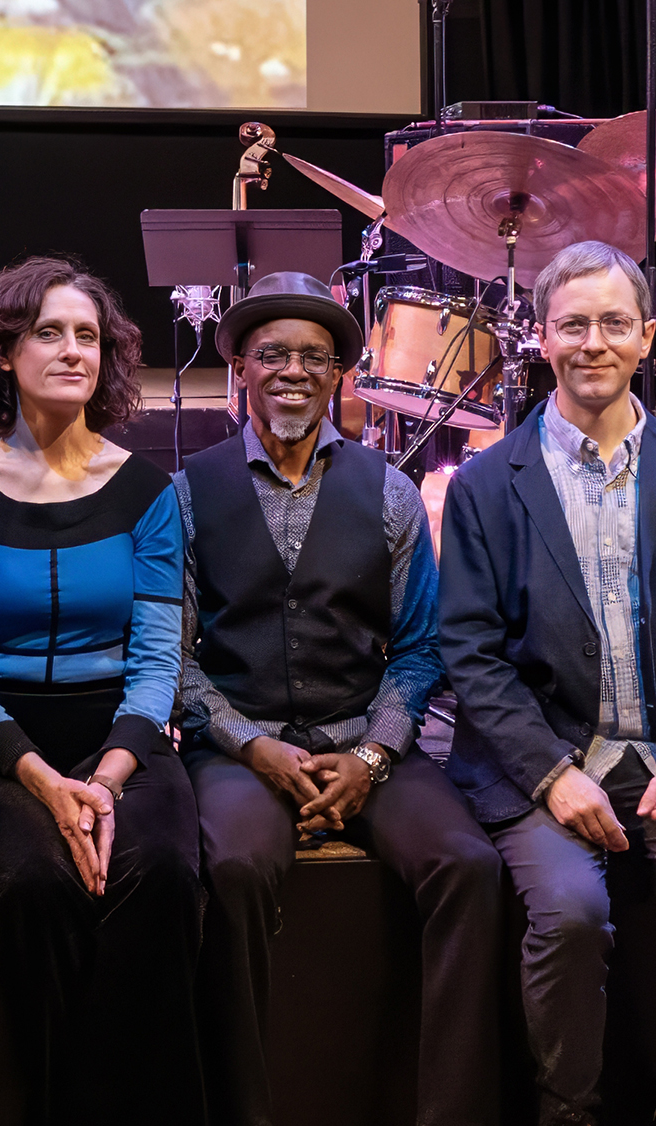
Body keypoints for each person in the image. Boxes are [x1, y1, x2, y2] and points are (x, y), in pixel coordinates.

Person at [438, 240, 656, 1126]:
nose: (594, 342)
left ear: (645, 340)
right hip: (540, 766)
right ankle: (570, 1114)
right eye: (574, 324)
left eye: (614, 324)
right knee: (571, 918)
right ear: (542, 339)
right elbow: (470, 655)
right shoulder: (485, 483)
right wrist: (553, 776)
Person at [176, 271, 502, 1126]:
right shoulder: (185, 493)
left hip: (370, 742)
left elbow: (422, 644)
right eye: (273, 354)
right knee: (236, 868)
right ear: (241, 367)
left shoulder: (390, 490)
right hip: (242, 746)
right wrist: (252, 745)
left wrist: (372, 754)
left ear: (338, 377)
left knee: (467, 866)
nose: (292, 371)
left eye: (313, 357)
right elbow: (172, 660)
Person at [0, 257, 202, 1125]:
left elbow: (159, 658)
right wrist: (42, 779)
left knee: (157, 870)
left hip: (121, 737)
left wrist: (111, 775)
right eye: (49, 332)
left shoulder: (148, 491)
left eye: (87, 334)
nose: (72, 349)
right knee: (34, 884)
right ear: (4, 353)